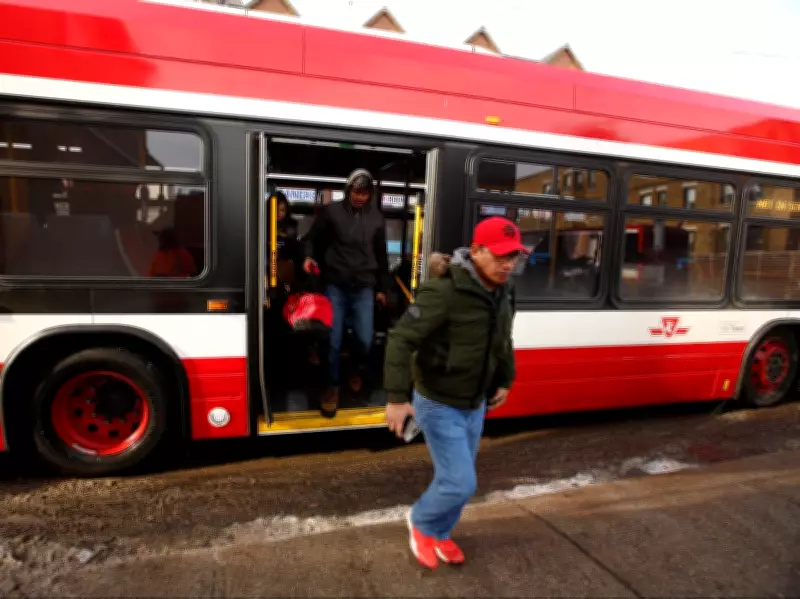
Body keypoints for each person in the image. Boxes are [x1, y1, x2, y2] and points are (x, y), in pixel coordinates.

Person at [383, 216, 527, 569]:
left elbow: (502, 341)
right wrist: (397, 399)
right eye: (501, 256)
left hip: (474, 402)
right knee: (461, 482)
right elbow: (401, 340)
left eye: (514, 257)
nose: (509, 264)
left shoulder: (504, 291)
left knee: (457, 478)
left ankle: (441, 533)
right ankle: (421, 521)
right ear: (476, 251)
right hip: (437, 402)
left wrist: (506, 380)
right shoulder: (443, 292)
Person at [303, 169, 390, 417]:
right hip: (336, 285)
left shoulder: (376, 218)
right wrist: (308, 256)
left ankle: (354, 368)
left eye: (365, 193)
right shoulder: (332, 212)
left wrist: (383, 288)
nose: (360, 197)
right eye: (356, 191)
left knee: (365, 339)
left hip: (364, 286)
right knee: (333, 338)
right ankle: (331, 386)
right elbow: (310, 239)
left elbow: (382, 256)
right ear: (348, 189)